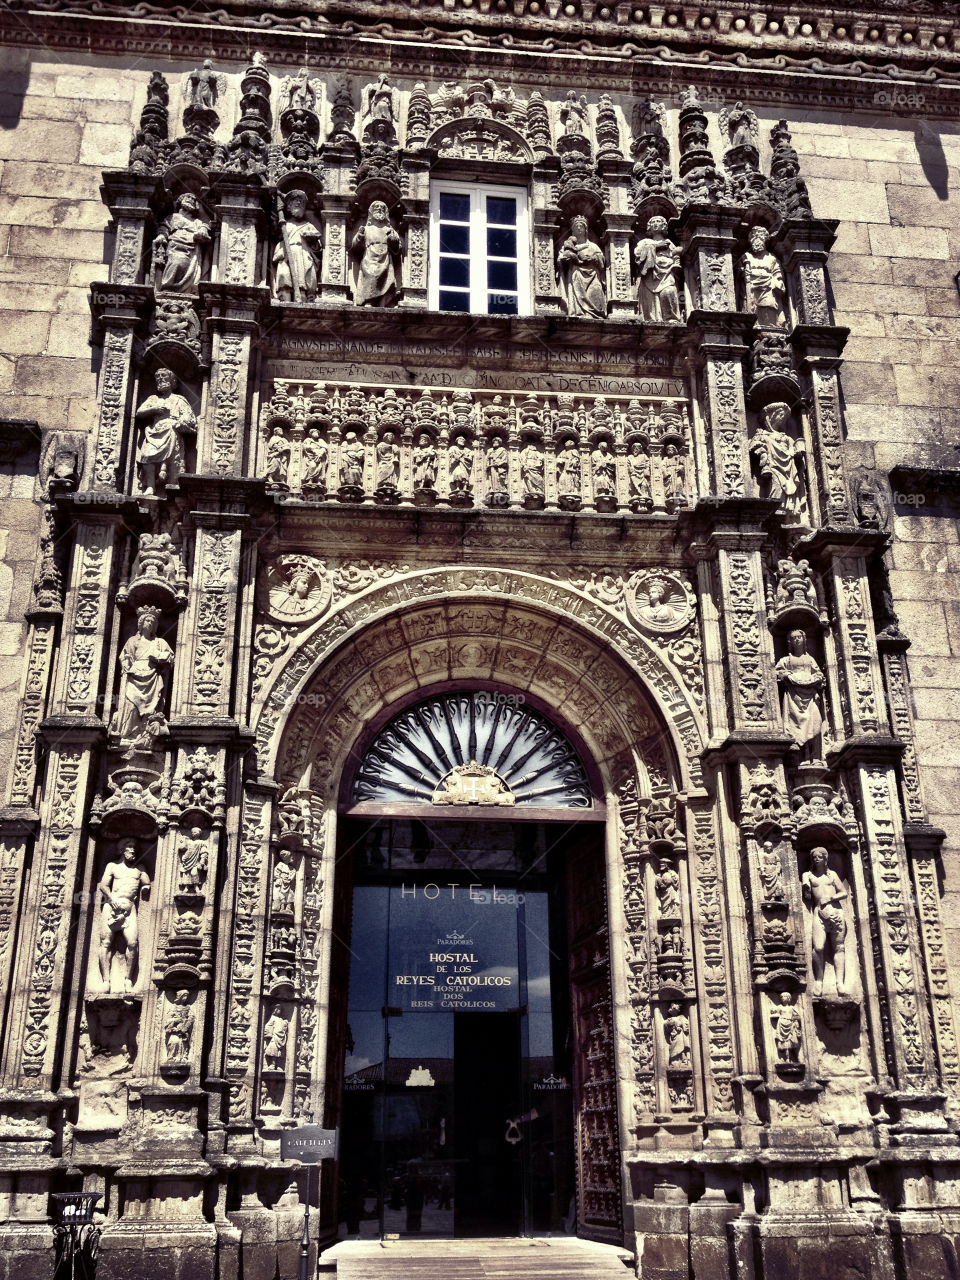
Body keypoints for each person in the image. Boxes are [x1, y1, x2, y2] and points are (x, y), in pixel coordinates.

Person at [114, 605, 174, 745]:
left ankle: (145, 734)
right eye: (147, 621)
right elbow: (124, 656)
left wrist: (159, 656)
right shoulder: (133, 641)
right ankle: (128, 734)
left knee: (151, 708)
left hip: (152, 676)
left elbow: (171, 657)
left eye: (153, 622)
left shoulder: (160, 642)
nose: (150, 623)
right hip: (135, 675)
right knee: (131, 705)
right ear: (141, 623)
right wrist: (126, 665)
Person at [98, 841, 151, 992]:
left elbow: (146, 882)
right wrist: (112, 899)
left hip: (129, 909)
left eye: (135, 850)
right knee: (105, 943)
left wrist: (146, 888)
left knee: (133, 943)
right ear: (122, 851)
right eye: (130, 849)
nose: (133, 852)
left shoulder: (140, 869)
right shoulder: (112, 866)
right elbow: (103, 885)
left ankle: (128, 979)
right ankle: (106, 981)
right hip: (112, 907)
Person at [135, 368, 196, 496]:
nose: (160, 379)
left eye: (163, 376)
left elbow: (190, 419)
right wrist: (155, 409)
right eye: (157, 377)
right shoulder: (153, 399)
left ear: (172, 380)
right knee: (146, 455)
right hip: (154, 431)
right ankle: (150, 486)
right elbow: (139, 412)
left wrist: (180, 422)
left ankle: (172, 485)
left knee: (174, 459)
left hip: (172, 430)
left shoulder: (179, 400)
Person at [802, 847, 848, 996]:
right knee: (819, 947)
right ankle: (819, 980)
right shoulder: (807, 875)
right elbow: (808, 896)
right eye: (814, 857)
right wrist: (806, 889)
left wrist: (831, 898)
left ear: (825, 859)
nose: (816, 859)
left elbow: (844, 892)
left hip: (835, 911)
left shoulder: (832, 875)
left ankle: (839, 982)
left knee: (839, 947)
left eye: (819, 857)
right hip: (819, 912)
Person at [776, 629, 825, 760]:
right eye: (793, 638)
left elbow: (819, 674)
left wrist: (815, 678)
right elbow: (777, 672)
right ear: (790, 642)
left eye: (799, 637)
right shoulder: (786, 660)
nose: (797, 640)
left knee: (816, 724)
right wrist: (786, 675)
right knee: (796, 727)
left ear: (804, 640)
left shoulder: (810, 660)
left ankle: (815, 756)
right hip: (794, 698)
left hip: (810, 697)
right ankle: (803, 757)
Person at [154, 193, 210, 297]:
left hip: (192, 249)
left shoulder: (197, 222)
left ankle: (185, 291)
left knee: (187, 267)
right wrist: (161, 235)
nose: (190, 200)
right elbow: (164, 228)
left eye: (193, 199)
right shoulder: (173, 217)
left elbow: (205, 228)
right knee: (176, 262)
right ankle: (168, 288)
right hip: (175, 246)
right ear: (180, 201)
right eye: (187, 197)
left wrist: (202, 232)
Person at [273, 189, 321, 302]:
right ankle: (285, 299)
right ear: (288, 207)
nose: (298, 204)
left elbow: (318, 249)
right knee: (284, 277)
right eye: (296, 202)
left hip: (304, 255)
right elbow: (274, 235)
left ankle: (304, 299)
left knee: (305, 281)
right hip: (287, 255)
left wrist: (313, 240)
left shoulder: (308, 226)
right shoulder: (284, 224)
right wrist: (277, 221)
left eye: (301, 202)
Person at [351, 201, 401, 307]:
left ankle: (385, 301)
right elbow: (355, 246)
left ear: (386, 213)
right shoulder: (366, 229)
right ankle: (369, 301)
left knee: (387, 281)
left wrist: (394, 240)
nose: (379, 209)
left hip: (386, 260)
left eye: (382, 208)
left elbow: (398, 248)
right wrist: (359, 236)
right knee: (370, 279)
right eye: (376, 207)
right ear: (371, 212)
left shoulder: (390, 230)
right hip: (369, 260)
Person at [557, 216, 606, 319]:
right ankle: (578, 312)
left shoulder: (593, 246)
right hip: (576, 275)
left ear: (586, 229)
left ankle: (595, 314)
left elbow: (601, 262)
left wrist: (592, 258)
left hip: (593, 276)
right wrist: (566, 259)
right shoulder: (567, 246)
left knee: (596, 292)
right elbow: (561, 260)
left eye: (581, 226)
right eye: (576, 227)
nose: (579, 228)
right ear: (573, 230)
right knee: (576, 277)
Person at [635, 216, 681, 322]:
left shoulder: (669, 242)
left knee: (668, 291)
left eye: (659, 221)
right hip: (649, 274)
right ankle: (650, 319)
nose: (655, 224)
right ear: (649, 227)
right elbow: (638, 255)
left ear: (664, 225)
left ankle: (671, 318)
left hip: (667, 272)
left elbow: (675, 254)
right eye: (653, 222)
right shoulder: (644, 242)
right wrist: (656, 247)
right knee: (649, 299)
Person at [743, 226, 787, 328]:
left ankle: (770, 327)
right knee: (752, 309)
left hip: (768, 288)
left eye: (760, 240)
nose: (757, 243)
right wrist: (742, 273)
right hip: (751, 287)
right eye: (754, 240)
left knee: (769, 306)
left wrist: (777, 282)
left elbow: (778, 274)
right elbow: (739, 274)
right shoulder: (746, 257)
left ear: (764, 242)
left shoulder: (772, 258)